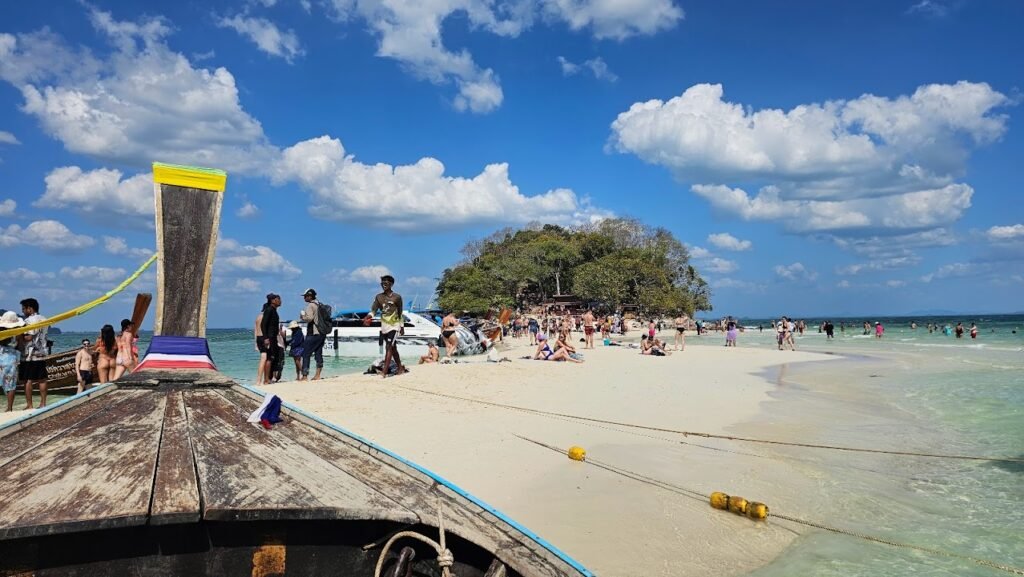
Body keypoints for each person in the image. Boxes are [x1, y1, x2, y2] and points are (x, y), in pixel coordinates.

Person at [366, 276, 405, 378]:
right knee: (393, 348)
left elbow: (400, 312)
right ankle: (400, 368)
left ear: (391, 284)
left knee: (388, 346)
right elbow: (374, 310)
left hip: (394, 325)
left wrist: (402, 326)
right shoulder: (379, 297)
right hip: (384, 326)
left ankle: (384, 371)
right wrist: (368, 317)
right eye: (382, 283)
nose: (384, 285)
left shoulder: (397, 297)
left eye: (386, 283)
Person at [17, 298, 48, 409]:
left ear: (29, 309)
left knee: (28, 380)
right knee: (42, 379)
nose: (23, 312)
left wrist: (19, 334)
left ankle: (29, 405)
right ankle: (43, 403)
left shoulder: (28, 321)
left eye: (23, 309)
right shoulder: (44, 319)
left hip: (29, 355)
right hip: (42, 353)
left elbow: (29, 337)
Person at [300, 288, 327, 381]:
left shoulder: (311, 305)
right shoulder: (319, 304)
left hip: (313, 332)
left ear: (310, 296)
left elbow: (310, 318)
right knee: (318, 353)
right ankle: (318, 375)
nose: (304, 298)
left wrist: (303, 316)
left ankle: (304, 376)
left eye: (305, 296)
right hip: (322, 332)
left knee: (306, 354)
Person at [1, 311, 25, 412]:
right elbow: (20, 346)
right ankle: (9, 408)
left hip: (1, 355)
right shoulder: (19, 332)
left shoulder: (2, 331)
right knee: (11, 384)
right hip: (12, 358)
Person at [260, 293, 282, 384]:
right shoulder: (269, 310)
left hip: (273, 337)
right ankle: (266, 380)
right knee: (269, 358)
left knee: (273, 357)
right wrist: (265, 338)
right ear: (273, 301)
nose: (280, 301)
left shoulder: (274, 310)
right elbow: (263, 324)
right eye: (278, 299)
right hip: (269, 337)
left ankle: (269, 378)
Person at [254, 308, 267, 385]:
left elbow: (255, 330)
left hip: (259, 338)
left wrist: (255, 343)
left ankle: (260, 380)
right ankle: (260, 380)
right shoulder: (266, 316)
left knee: (263, 358)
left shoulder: (258, 317)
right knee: (264, 358)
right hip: (264, 337)